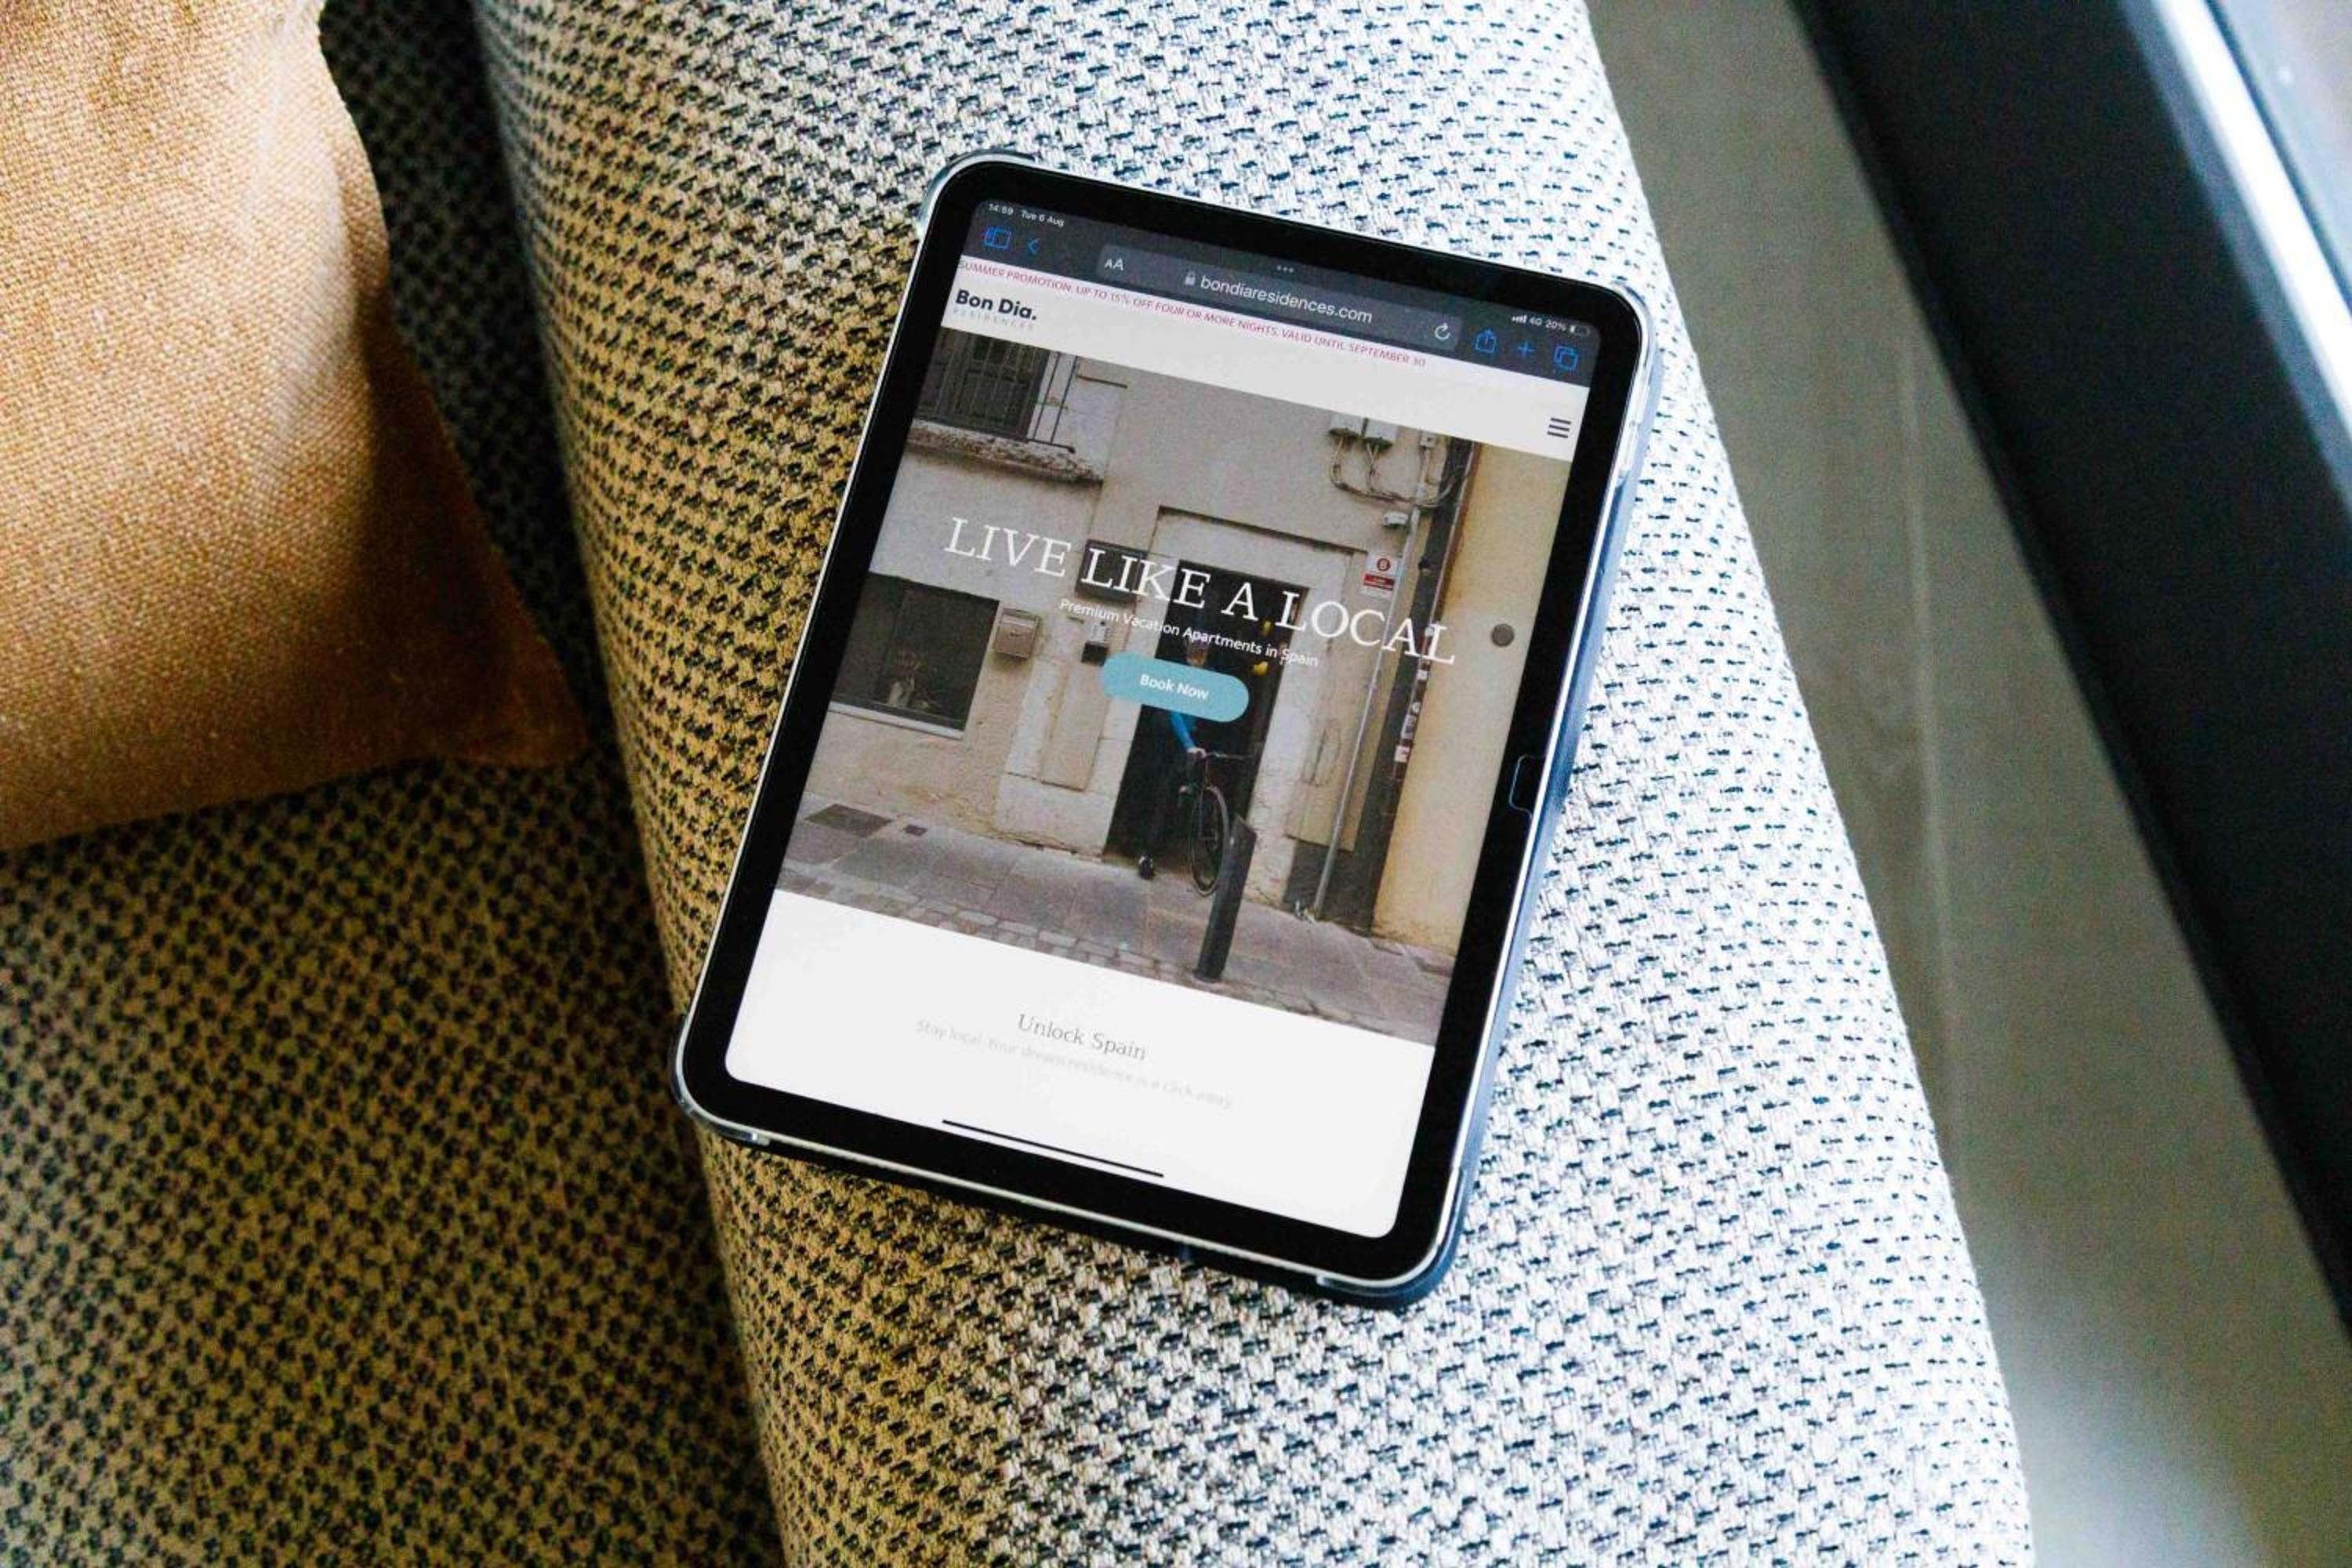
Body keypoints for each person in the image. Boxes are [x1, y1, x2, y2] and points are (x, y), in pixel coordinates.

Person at [1135, 639, 1212, 880]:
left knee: (1167, 797)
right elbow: (1173, 710)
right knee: (1156, 793)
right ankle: (1145, 852)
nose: (1199, 653)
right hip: (1165, 740)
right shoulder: (1176, 671)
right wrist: (1189, 743)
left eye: (1204, 649)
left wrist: (1194, 742)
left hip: (1185, 743)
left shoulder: (1207, 677)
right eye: (1195, 648)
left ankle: (1151, 850)